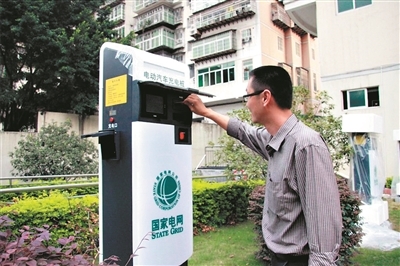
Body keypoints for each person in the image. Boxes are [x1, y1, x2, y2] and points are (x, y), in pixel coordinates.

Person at [183, 65, 342, 266]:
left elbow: (324, 231)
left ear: (265, 97)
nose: (247, 104)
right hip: (278, 259)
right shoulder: (273, 139)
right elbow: (243, 131)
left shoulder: (306, 145)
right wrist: (206, 112)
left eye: (248, 96)